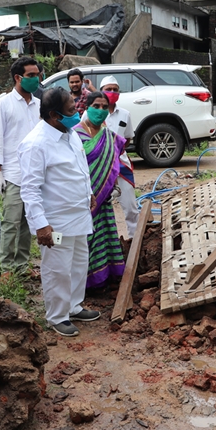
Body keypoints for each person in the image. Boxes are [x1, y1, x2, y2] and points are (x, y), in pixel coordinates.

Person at [18, 87, 100, 337]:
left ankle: (73, 306)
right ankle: (57, 315)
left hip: (78, 215)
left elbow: (78, 168)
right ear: (54, 115)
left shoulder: (70, 134)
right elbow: (30, 189)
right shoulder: (35, 144)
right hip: (56, 222)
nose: (77, 114)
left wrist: (89, 193)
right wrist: (41, 225)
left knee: (77, 264)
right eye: (71, 111)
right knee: (58, 268)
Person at [0, 56, 41, 277]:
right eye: (31, 75)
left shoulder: (39, 105)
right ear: (18, 78)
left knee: (27, 223)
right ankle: (7, 268)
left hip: (34, 174)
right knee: (10, 222)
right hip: (13, 173)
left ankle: (22, 265)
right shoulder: (3, 104)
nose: (36, 78)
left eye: (37, 74)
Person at [74, 91, 127, 288]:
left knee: (104, 234)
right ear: (86, 107)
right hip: (82, 199)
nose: (101, 111)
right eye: (96, 106)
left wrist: (112, 184)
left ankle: (104, 277)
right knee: (85, 239)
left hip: (103, 198)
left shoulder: (110, 137)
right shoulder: (74, 134)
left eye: (105, 107)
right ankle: (84, 283)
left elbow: (114, 164)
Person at [99, 75, 139, 238]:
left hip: (121, 164)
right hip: (100, 165)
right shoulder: (92, 113)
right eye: (108, 89)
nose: (112, 92)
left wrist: (116, 150)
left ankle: (133, 242)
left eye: (115, 90)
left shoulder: (125, 114)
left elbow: (128, 137)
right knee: (101, 207)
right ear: (101, 91)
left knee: (130, 206)